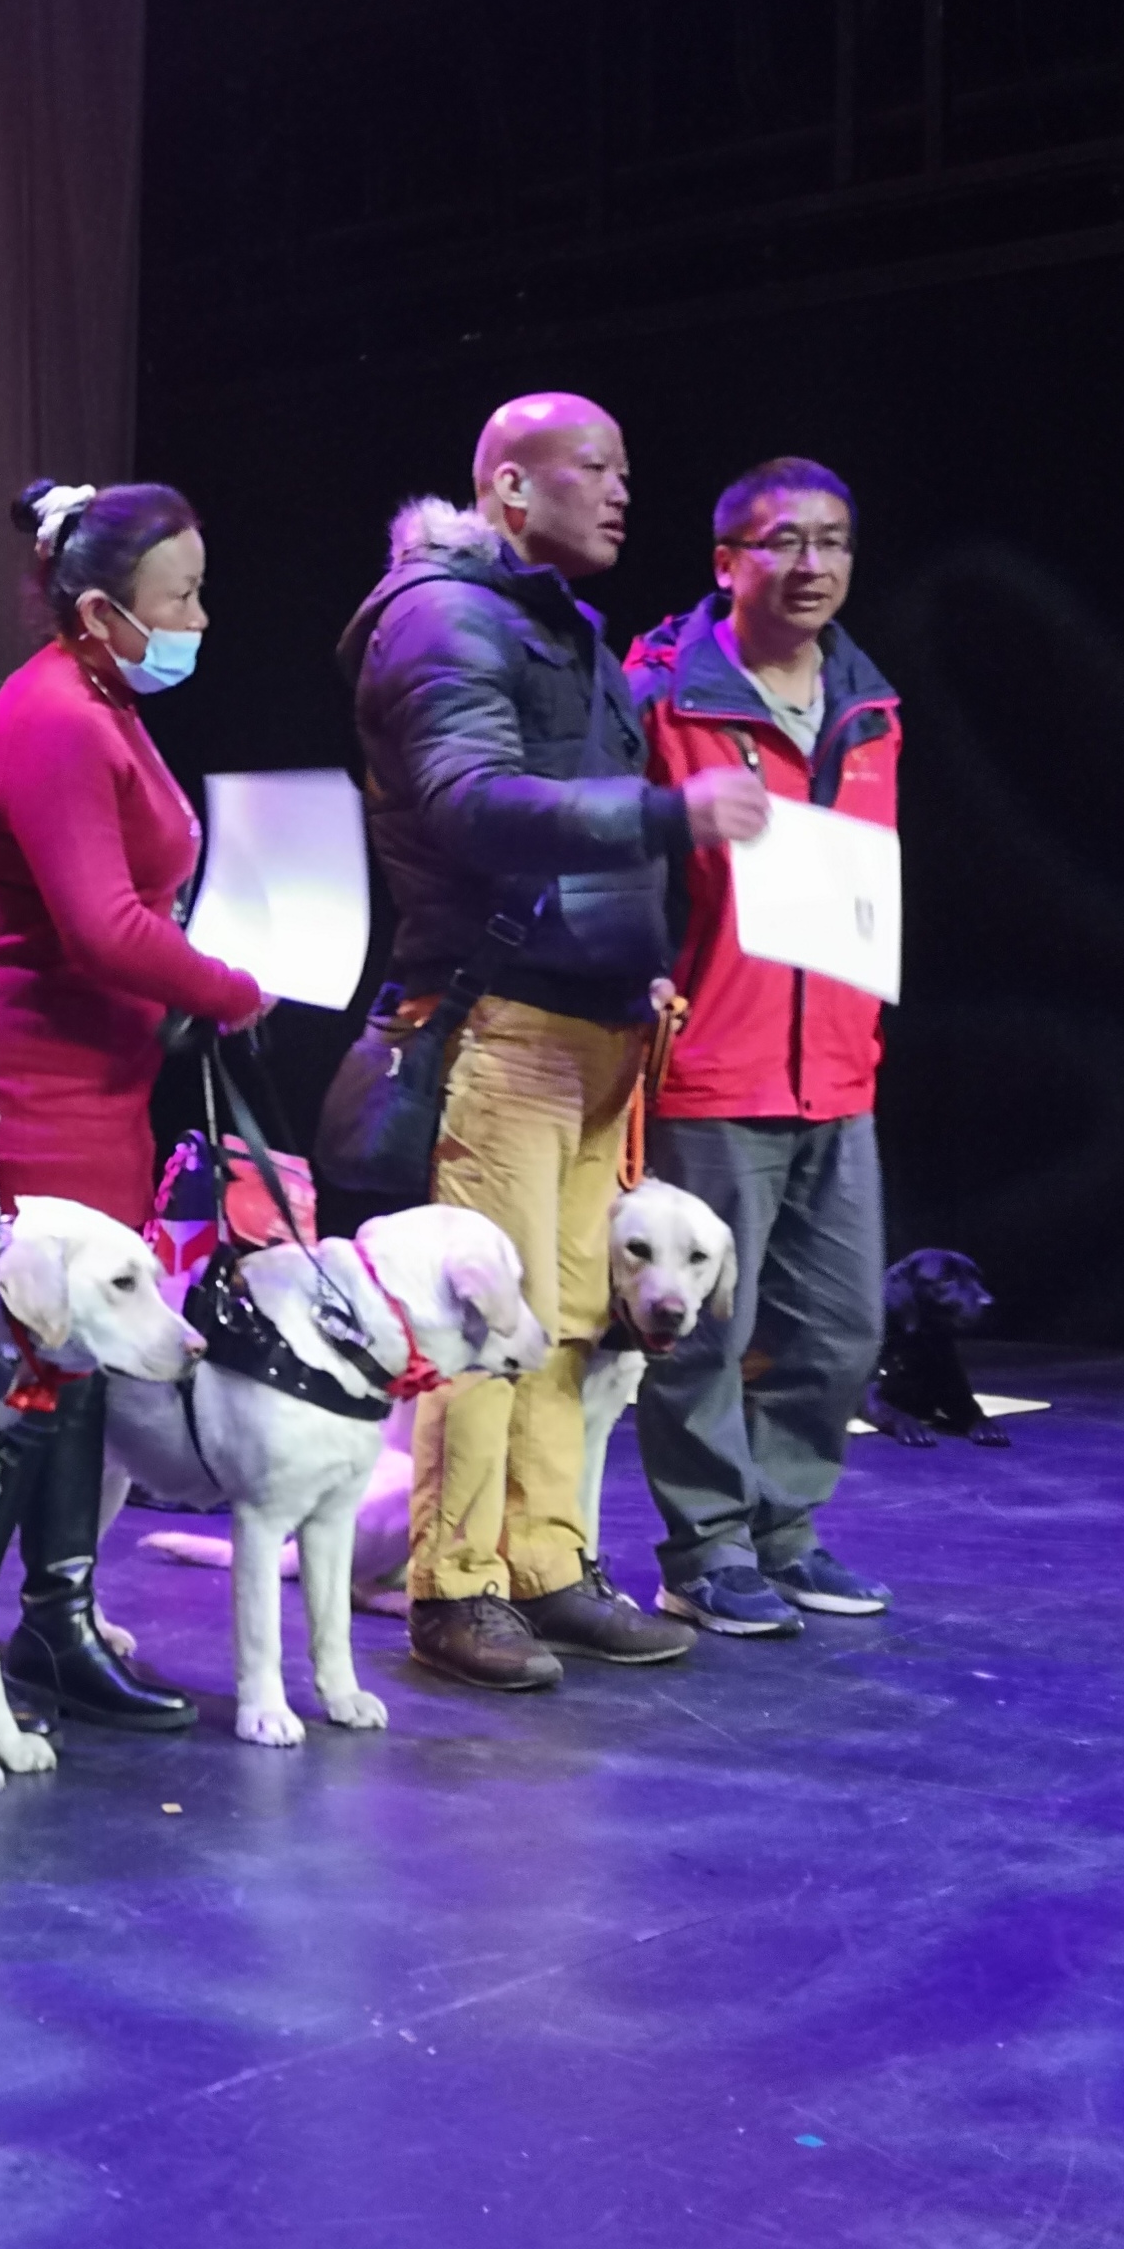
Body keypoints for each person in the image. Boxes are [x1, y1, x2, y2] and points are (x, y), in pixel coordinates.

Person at [336, 392, 765, 1692]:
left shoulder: (552, 622)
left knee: (569, 1321)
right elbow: (468, 801)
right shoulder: (442, 615)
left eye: (624, 467)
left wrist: (642, 956)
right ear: (510, 488)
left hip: (592, 1025)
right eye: (593, 465)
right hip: (503, 1023)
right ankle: (454, 1586)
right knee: (485, 1317)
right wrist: (669, 812)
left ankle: (544, 1561)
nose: (621, 488)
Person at [0, 477, 272, 1729]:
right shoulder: (57, 719)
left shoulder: (101, 701)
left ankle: (55, 1618)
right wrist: (229, 986)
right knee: (29, 1370)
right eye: (177, 598)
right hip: (39, 1084)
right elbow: (98, 925)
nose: (199, 619)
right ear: (98, 612)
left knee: (72, 1369)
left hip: (100, 1074)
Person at [624, 459, 901, 1635]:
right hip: (709, 1060)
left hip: (836, 1067)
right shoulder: (660, 696)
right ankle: (704, 1551)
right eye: (782, 541)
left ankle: (785, 1530)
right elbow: (616, 858)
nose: (810, 564)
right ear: (725, 560)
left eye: (831, 541)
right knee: (701, 1330)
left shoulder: (869, 704)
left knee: (837, 1328)